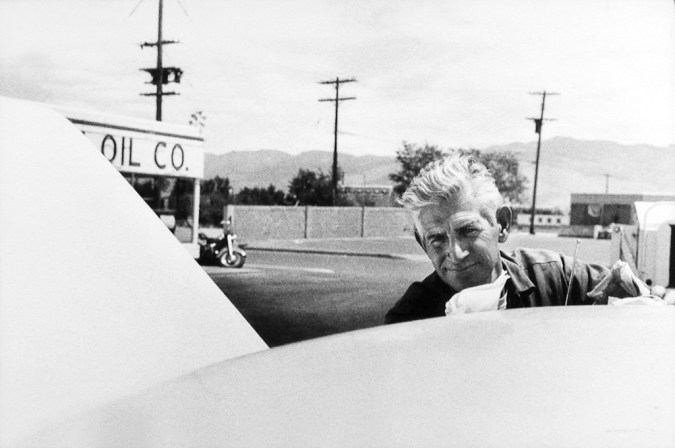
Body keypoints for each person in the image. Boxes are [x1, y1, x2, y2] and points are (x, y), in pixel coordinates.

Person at [385, 154, 648, 324]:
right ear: (423, 243)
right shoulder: (409, 319)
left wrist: (642, 298)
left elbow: (635, 296)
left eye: (468, 231)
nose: (456, 253)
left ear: (502, 224)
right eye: (437, 240)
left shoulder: (557, 278)